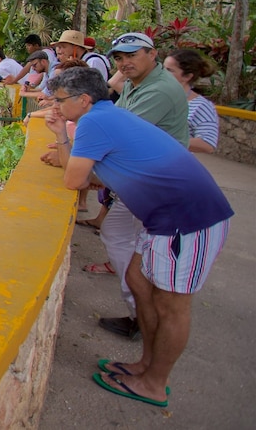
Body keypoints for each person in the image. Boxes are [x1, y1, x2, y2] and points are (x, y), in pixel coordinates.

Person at [43, 66, 233, 409]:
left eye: (60, 100)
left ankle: (155, 383)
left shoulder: (93, 122)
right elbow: (94, 174)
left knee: (172, 305)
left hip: (187, 219)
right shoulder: (105, 115)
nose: (55, 106)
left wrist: (60, 138)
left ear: (83, 100)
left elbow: (74, 180)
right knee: (138, 280)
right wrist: (62, 132)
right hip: (163, 218)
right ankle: (145, 365)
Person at [96, 32, 189, 339]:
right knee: (116, 234)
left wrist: (82, 159)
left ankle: (149, 324)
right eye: (120, 57)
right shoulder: (138, 85)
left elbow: (120, 134)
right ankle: (139, 313)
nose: (125, 62)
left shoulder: (160, 89)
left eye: (132, 55)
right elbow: (116, 120)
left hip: (158, 185)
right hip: (139, 180)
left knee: (147, 265)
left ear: (153, 54)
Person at [164, 48, 219, 154]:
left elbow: (207, 144)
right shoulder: (155, 97)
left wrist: (165, 141)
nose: (162, 73)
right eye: (162, 68)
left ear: (188, 76)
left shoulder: (201, 106)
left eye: (169, 70)